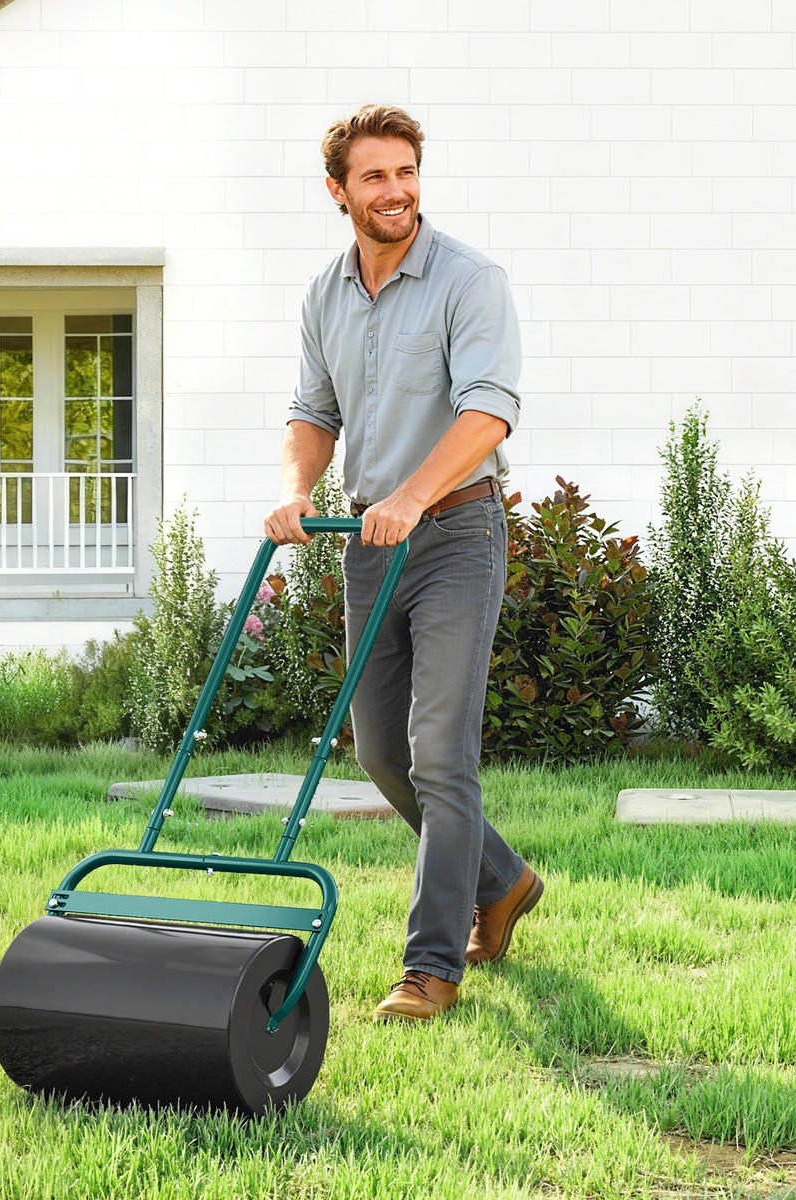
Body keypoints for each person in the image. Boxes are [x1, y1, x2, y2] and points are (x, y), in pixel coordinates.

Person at [264, 104, 543, 1021]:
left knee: (439, 752)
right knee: (380, 750)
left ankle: (433, 965)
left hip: (455, 532)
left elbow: (487, 414)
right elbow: (314, 410)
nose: (397, 192)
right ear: (338, 190)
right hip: (370, 544)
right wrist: (301, 491)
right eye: (375, 177)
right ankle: (501, 879)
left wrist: (414, 496)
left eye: (408, 172)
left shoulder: (470, 280)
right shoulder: (325, 295)